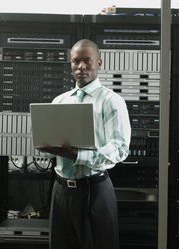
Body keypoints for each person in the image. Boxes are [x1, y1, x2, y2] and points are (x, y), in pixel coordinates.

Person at [39, 39, 131, 249]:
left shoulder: (111, 101)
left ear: (99, 63)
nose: (81, 67)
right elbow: (51, 148)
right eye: (76, 62)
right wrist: (45, 146)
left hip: (94, 191)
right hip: (61, 191)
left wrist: (78, 155)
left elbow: (119, 149)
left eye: (87, 61)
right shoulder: (59, 101)